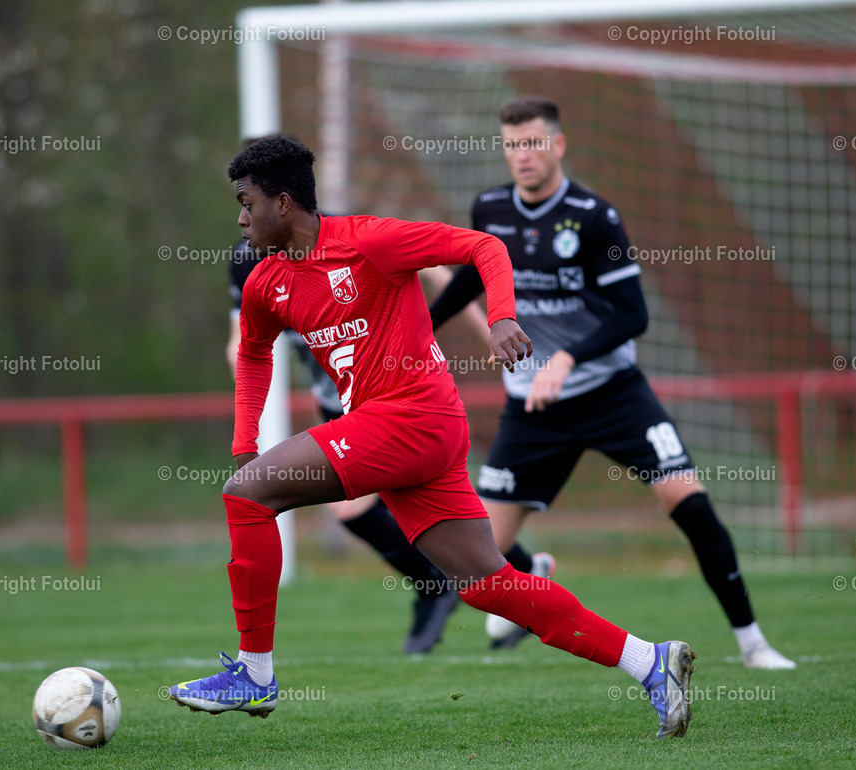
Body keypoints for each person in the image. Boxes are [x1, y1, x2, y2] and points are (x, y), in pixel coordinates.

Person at [167, 134, 698, 739]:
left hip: (412, 418)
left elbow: (484, 246)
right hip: (408, 435)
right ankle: (652, 662)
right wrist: (245, 438)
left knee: (247, 495)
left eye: (246, 202)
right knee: (487, 585)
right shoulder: (267, 284)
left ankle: (254, 675)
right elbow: (256, 353)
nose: (240, 217)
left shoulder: (370, 241)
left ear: (283, 204)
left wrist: (500, 318)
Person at [429, 96, 794, 670]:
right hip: (534, 405)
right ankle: (532, 572)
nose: (522, 155)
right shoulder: (490, 209)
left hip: (613, 393)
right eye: (512, 144)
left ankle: (753, 643)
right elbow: (470, 280)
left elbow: (632, 314)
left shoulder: (595, 216)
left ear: (558, 145)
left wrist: (568, 357)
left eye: (533, 142)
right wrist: (418, 328)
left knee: (689, 503)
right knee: (478, 556)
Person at [226, 237, 462, 655]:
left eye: (250, 203)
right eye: (241, 204)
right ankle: (446, 585)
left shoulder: (339, 238)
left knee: (430, 516)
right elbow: (242, 345)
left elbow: (441, 266)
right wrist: (246, 361)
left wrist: (491, 321)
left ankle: (451, 585)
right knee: (373, 508)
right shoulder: (248, 263)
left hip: (393, 402)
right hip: (337, 403)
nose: (244, 218)